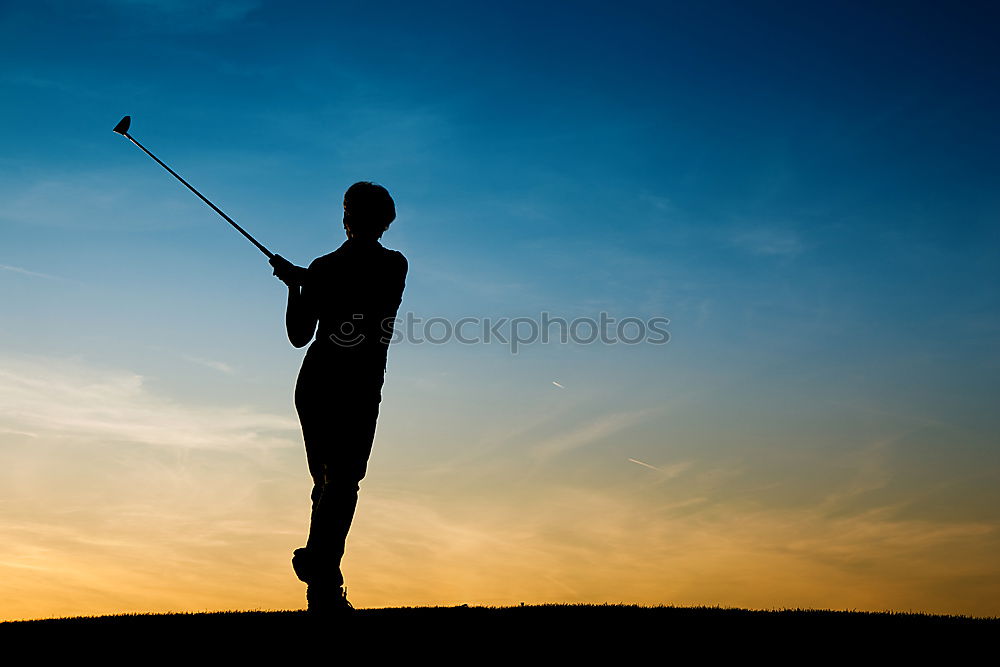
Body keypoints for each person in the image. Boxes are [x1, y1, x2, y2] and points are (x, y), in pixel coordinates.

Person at [269, 182, 408, 613]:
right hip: (353, 382)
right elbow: (300, 335)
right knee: (342, 482)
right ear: (385, 221)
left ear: (346, 217)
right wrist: (298, 285)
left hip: (324, 380)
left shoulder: (334, 268)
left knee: (331, 483)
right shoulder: (386, 264)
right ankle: (322, 574)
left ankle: (322, 586)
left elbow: (300, 335)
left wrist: (300, 284)